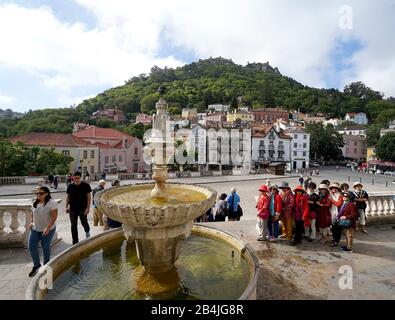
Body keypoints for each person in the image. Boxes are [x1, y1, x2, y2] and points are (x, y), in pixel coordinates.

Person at [27, 187, 58, 277]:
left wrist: (48, 228)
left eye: (41, 193)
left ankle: (46, 265)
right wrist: (32, 222)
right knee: (31, 247)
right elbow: (32, 213)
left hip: (48, 229)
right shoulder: (34, 202)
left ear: (47, 193)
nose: (38, 195)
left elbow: (54, 216)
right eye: (37, 193)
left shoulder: (52, 203)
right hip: (35, 229)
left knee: (45, 247)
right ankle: (36, 265)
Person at [65, 171, 92, 245]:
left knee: (84, 222)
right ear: (73, 178)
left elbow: (89, 197)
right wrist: (66, 207)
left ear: (81, 177)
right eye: (75, 178)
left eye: (78, 178)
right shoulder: (70, 186)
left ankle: (87, 231)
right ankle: (75, 242)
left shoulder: (86, 185)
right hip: (72, 209)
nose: (76, 179)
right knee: (73, 225)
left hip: (82, 208)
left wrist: (88, 208)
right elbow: (68, 197)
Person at [329, 182, 344, 247]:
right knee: (333, 228)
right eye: (333, 188)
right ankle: (334, 239)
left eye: (335, 188)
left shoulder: (340, 195)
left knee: (338, 228)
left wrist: (332, 200)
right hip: (332, 212)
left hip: (338, 213)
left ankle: (336, 241)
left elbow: (338, 204)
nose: (334, 189)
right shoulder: (331, 194)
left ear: (338, 189)